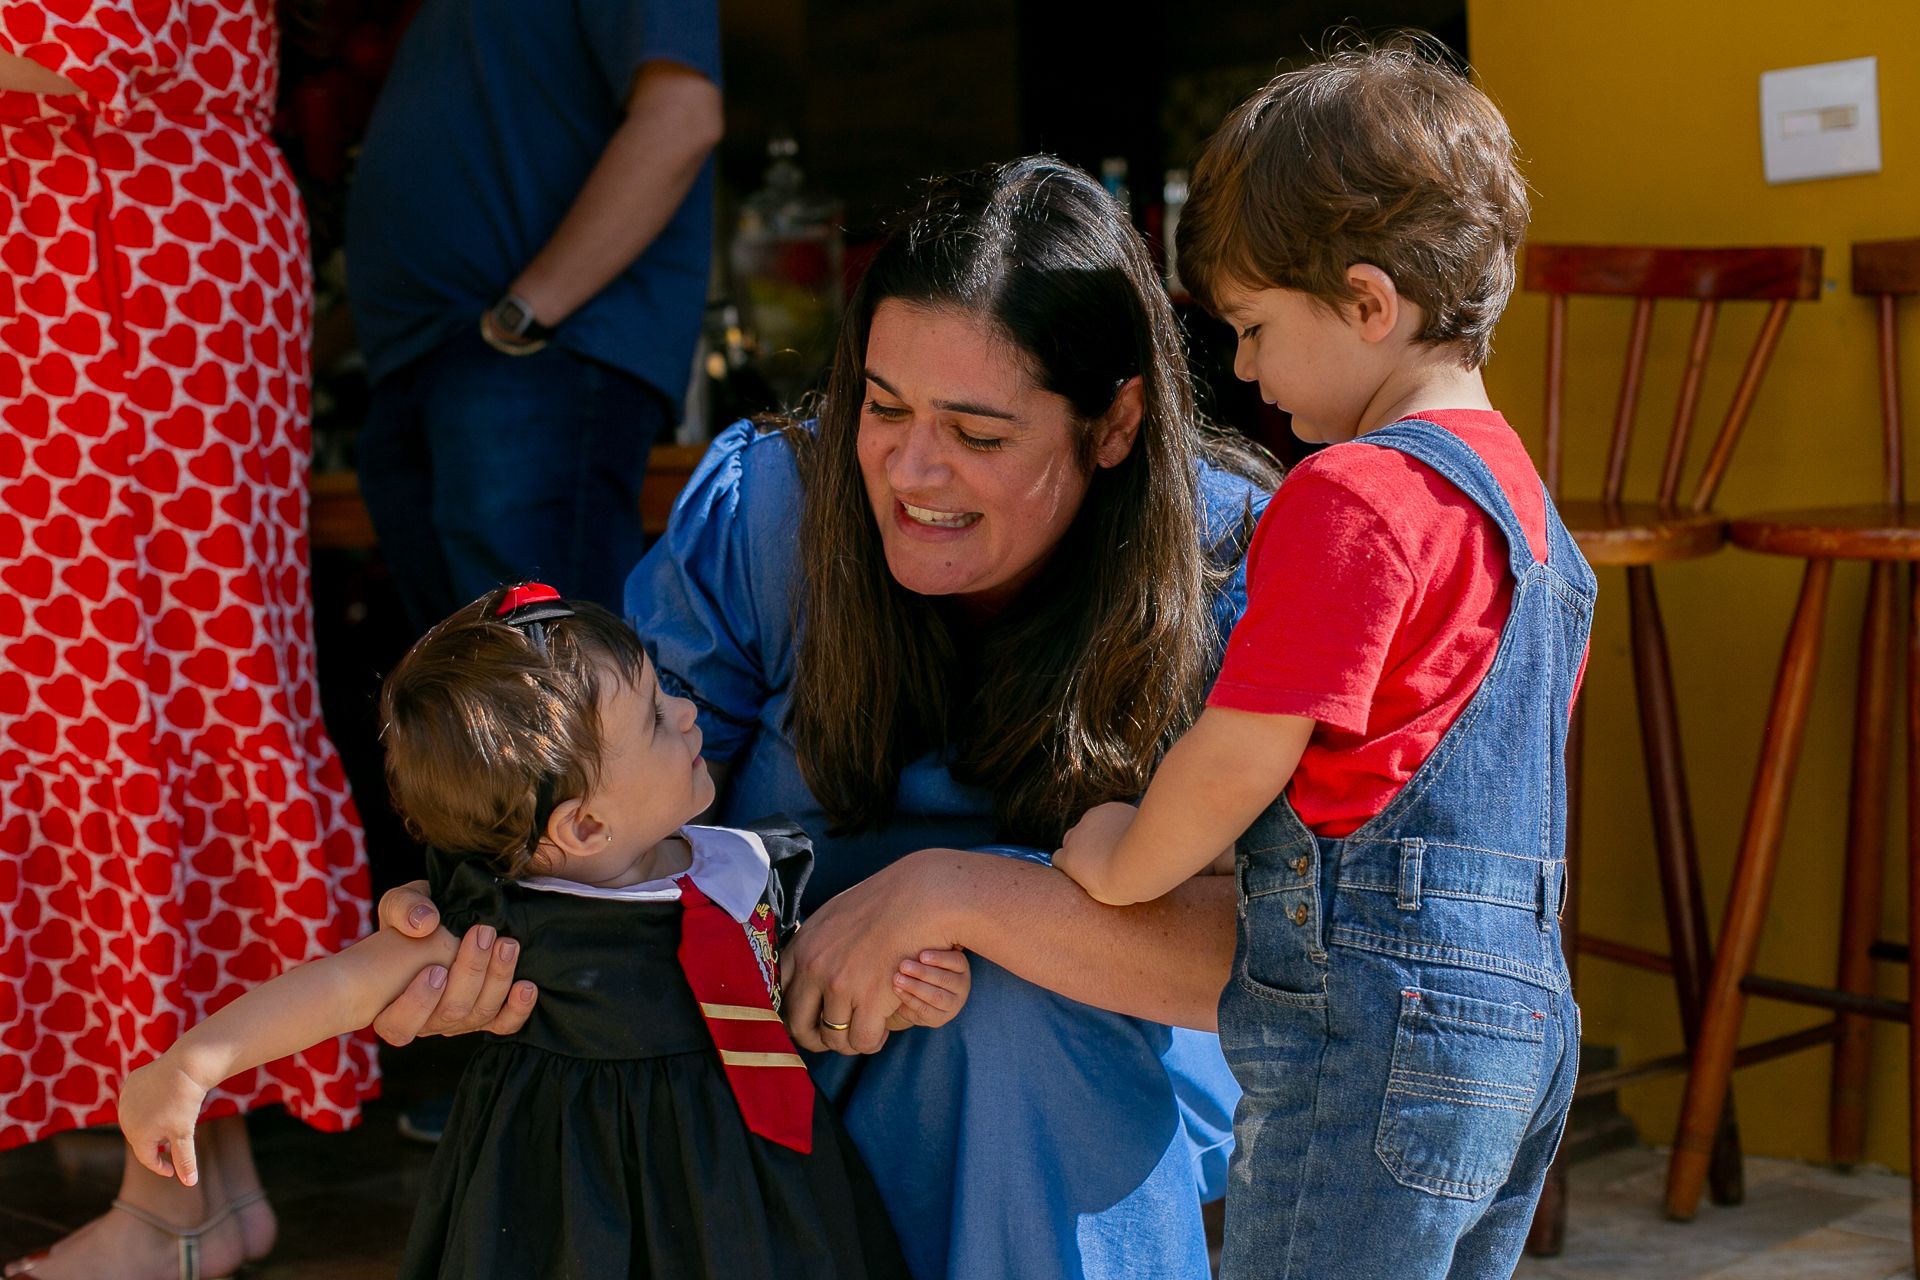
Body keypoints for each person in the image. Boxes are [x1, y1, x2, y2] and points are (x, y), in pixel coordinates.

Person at [369, 156, 1283, 1279]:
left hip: (1084, 1080)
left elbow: (1277, 958)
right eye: (881, 406)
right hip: (769, 1047)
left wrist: (955, 890)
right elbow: (602, 786)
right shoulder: (769, 510)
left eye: (979, 434)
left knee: (1004, 1020)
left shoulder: (1237, 567)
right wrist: (476, 906)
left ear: (1114, 422)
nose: (909, 467)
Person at [1053, 40, 1593, 1280]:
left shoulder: (1351, 493)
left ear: (1365, 303)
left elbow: (1248, 741)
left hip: (1374, 1030)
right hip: (1522, 1029)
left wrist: (1125, 859)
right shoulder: (1536, 526)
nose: (1241, 370)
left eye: (1251, 327)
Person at [117, 584, 945, 1278]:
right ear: (583, 828)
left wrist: (898, 987)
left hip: (748, 1178)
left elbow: (802, 985)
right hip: (569, 1193)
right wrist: (195, 1066)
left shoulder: (743, 867)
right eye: (658, 718)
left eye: (665, 691)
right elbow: (341, 985)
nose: (689, 714)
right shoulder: (509, 922)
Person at [0, 7, 374, 1277]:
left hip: (116, 258)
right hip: (117, 243)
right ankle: (207, 1182)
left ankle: (171, 1205)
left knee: (125, 691)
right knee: (156, 688)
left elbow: (80, 40)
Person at [346, 0, 722, 632]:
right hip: (432, 362)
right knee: (469, 698)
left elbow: (682, 118)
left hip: (535, 359)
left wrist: (523, 317)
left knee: (545, 690)